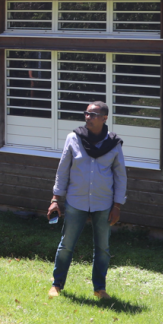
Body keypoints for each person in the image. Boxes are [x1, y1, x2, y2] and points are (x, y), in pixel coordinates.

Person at [47, 101, 127, 300]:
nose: (88, 117)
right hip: (76, 201)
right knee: (66, 245)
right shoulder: (74, 138)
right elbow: (63, 169)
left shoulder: (113, 144)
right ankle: (57, 285)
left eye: (92, 114)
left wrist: (117, 205)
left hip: (103, 203)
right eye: (86, 114)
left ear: (104, 118)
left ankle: (99, 289)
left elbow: (120, 176)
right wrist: (56, 198)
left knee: (102, 248)